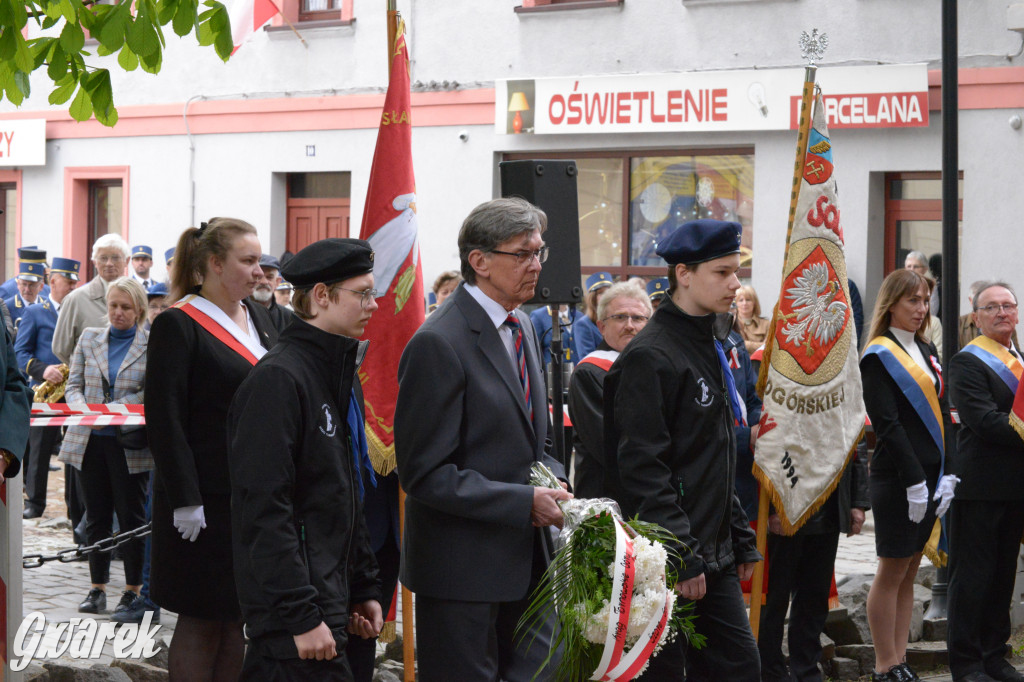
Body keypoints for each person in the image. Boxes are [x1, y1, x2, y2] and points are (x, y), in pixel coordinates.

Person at [394, 197, 570, 682]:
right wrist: (522, 502)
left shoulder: (523, 327)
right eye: (522, 254)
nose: (535, 265)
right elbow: (425, 474)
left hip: (527, 561)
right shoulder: (439, 342)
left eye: (540, 252)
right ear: (479, 261)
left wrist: (556, 486)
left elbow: (535, 443)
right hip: (461, 573)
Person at [603, 218, 761, 680]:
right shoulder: (652, 356)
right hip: (671, 557)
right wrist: (682, 554)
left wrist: (738, 534)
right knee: (670, 673)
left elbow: (712, 456)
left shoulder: (707, 341)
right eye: (722, 272)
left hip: (713, 553)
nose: (735, 284)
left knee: (738, 668)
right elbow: (643, 468)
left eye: (737, 272)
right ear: (683, 274)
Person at [228, 238, 383, 679]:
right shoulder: (279, 380)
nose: (373, 305)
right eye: (363, 293)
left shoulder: (334, 373)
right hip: (294, 620)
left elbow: (344, 490)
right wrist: (300, 617)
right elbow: (264, 509)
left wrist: (363, 586)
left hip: (333, 604)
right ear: (320, 296)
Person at [146, 218, 278, 681]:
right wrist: (185, 498)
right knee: (201, 619)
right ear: (215, 264)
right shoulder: (177, 324)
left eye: (259, 260)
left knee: (235, 617)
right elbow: (165, 419)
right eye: (248, 260)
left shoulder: (259, 318)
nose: (259, 270)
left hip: (247, 495)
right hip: (201, 502)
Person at [860, 269, 956, 682]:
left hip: (933, 476)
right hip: (899, 476)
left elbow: (947, 413)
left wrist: (950, 472)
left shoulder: (926, 348)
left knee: (911, 569)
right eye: (912, 301)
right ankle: (885, 664)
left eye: (925, 300)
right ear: (891, 303)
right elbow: (888, 423)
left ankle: (900, 660)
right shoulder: (878, 355)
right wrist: (915, 480)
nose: (921, 309)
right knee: (892, 568)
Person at [58, 277, 152, 616]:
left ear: (138, 310)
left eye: (125, 307)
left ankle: (132, 590)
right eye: (113, 306)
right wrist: (84, 408)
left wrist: (119, 408)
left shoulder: (150, 342)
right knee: (94, 515)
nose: (118, 313)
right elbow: (74, 384)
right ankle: (97, 588)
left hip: (129, 442)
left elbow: (152, 389)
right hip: (90, 440)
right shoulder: (89, 338)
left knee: (132, 516)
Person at [946, 281, 1024, 682]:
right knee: (973, 577)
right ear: (976, 317)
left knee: (1002, 576)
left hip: (1015, 487)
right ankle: (966, 662)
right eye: (991, 307)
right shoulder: (967, 362)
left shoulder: (1020, 359)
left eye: (1007, 305)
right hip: (979, 486)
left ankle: (995, 654)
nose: (1001, 313)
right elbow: (985, 422)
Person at [758, 445, 868, 682]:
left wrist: (857, 501)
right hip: (787, 500)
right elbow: (773, 440)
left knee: (814, 597)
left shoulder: (846, 404)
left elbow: (856, 437)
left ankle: (806, 672)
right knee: (773, 597)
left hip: (829, 503)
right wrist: (775, 506)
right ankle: (770, 671)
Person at [568, 281, 650, 498]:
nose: (630, 325)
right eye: (620, 317)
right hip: (606, 503)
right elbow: (610, 447)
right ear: (601, 326)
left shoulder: (654, 369)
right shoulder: (589, 373)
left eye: (638, 318)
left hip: (651, 497)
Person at [15, 257, 81, 518]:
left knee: (75, 448)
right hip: (47, 389)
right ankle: (35, 502)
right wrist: (43, 370)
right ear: (53, 282)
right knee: (40, 450)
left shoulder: (77, 308)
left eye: (76, 282)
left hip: (76, 388)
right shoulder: (35, 311)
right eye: (68, 282)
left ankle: (75, 506)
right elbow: (20, 352)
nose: (74, 287)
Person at [52, 234, 131, 364]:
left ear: (127, 261)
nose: (109, 263)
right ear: (94, 262)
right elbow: (60, 348)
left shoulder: (138, 297)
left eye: (115, 258)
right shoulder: (76, 299)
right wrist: (85, 370)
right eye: (103, 258)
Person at [251, 254, 294, 334]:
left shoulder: (288, 318)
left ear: (277, 282)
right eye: (259, 277)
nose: (264, 282)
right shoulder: (239, 313)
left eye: (269, 277)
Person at [573, 271, 613, 357]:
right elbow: (587, 358)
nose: (606, 296)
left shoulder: (614, 320)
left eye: (609, 292)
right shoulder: (584, 324)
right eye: (601, 293)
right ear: (593, 298)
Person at [5, 260, 46, 335]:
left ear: (41, 286)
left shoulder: (47, 305)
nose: (27, 289)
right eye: (24, 284)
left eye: (32, 285)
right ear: (18, 284)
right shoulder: (7, 307)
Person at [735, 284, 770, 354]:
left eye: (748, 300)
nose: (744, 303)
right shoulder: (732, 323)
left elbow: (769, 347)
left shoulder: (766, 324)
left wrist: (745, 344)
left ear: (754, 303)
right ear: (735, 303)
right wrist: (760, 345)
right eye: (741, 300)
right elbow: (734, 346)